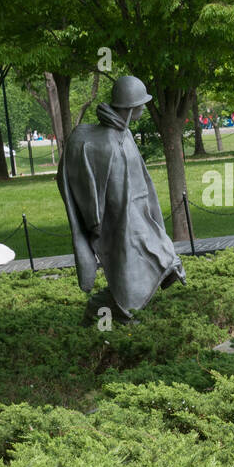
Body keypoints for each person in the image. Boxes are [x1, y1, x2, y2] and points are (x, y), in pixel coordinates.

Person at [57, 75, 184, 325]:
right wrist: (97, 223)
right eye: (141, 104)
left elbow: (142, 179)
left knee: (164, 256)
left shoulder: (124, 136)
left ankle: (123, 307)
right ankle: (110, 311)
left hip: (139, 214)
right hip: (117, 220)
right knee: (128, 273)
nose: (145, 108)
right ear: (129, 108)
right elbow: (91, 186)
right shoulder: (101, 142)